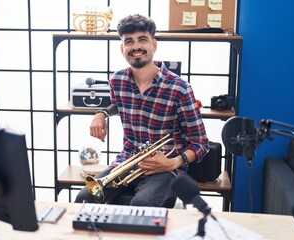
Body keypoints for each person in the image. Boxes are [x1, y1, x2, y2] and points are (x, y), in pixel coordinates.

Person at [75, 14, 209, 208]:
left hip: (165, 168)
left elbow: (200, 143)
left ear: (154, 45)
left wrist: (174, 163)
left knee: (141, 204)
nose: (136, 47)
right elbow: (117, 104)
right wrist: (101, 113)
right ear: (122, 49)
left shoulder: (179, 88)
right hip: (128, 160)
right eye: (129, 41)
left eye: (142, 40)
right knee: (83, 199)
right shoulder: (117, 80)